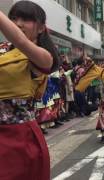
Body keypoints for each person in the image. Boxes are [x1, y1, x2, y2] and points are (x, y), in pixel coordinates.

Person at [0, 1, 59, 179]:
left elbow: (19, 40)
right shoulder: (2, 51)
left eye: (25, 19)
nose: (17, 23)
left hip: (16, 139)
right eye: (13, 18)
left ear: (41, 28)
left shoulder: (43, 57)